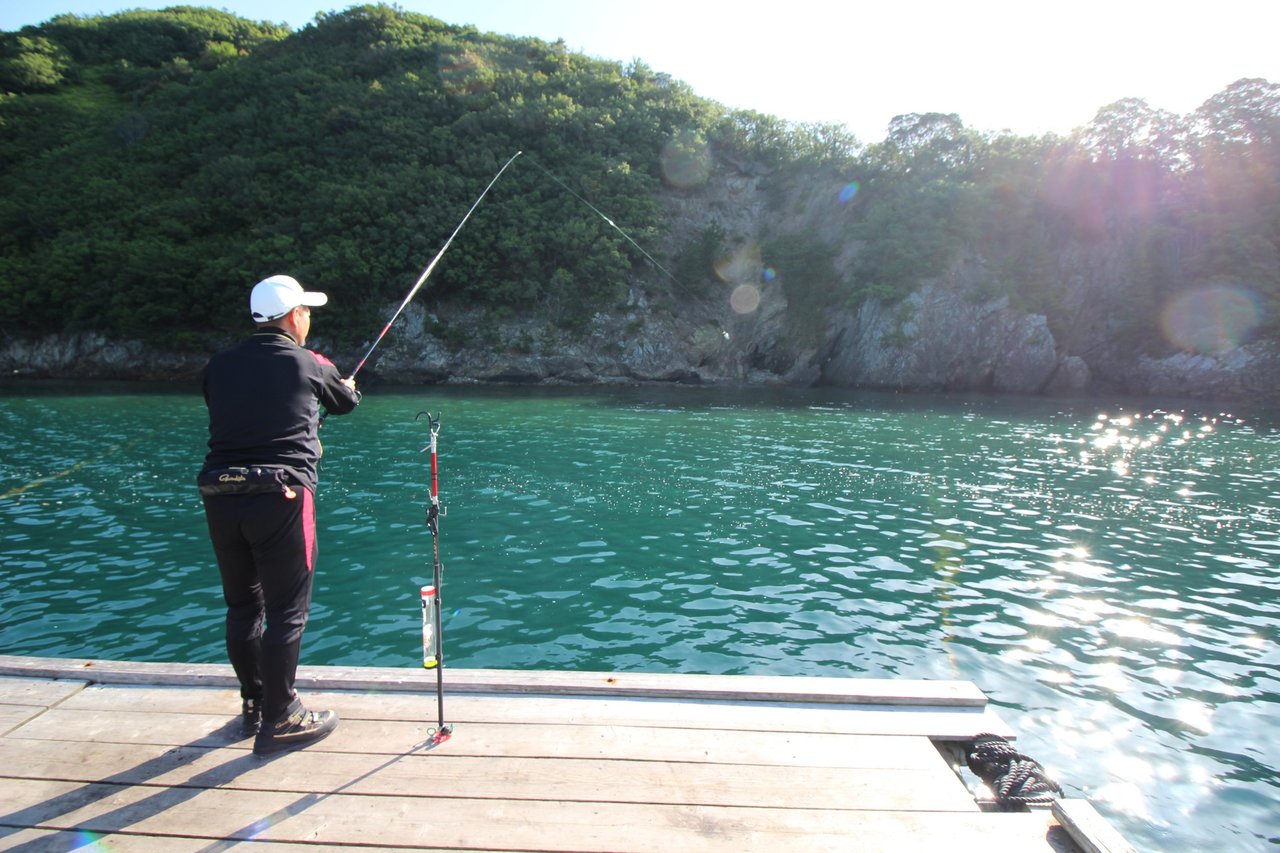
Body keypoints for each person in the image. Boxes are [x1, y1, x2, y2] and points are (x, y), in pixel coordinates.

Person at [197, 274, 361, 756]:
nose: (309, 318)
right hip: (282, 496)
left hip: (220, 494)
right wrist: (340, 387)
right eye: (307, 311)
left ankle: (255, 702)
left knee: (243, 605)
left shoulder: (218, 366)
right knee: (287, 610)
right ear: (293, 316)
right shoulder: (310, 362)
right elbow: (346, 401)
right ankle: (282, 715)